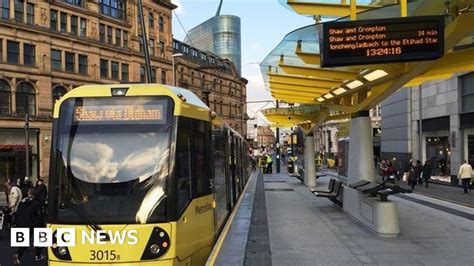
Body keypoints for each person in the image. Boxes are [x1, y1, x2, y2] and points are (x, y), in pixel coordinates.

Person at [13, 188, 46, 264]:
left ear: (28, 193)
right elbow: (40, 215)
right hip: (33, 223)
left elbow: (18, 213)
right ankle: (38, 255)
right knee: (40, 239)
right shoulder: (37, 203)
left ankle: (18, 255)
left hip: (22, 224)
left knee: (24, 241)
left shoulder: (22, 202)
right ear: (35, 194)